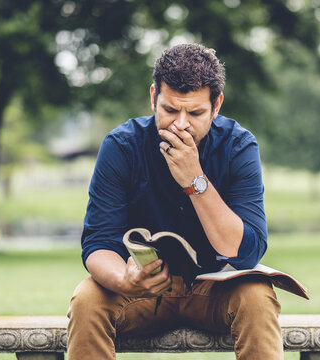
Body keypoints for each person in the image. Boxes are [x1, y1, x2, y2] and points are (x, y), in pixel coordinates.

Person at [67, 43, 283, 359]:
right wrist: (125, 280)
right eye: (169, 110)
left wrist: (195, 181)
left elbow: (247, 252)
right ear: (153, 97)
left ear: (217, 105)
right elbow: (98, 242)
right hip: (142, 293)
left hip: (216, 290)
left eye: (195, 113)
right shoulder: (122, 145)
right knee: (87, 298)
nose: (180, 124)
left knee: (257, 295)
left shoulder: (238, 146)